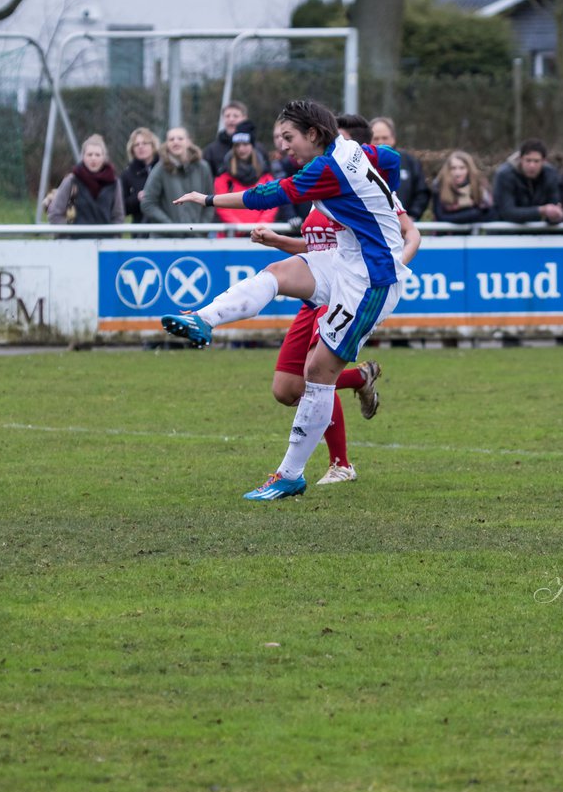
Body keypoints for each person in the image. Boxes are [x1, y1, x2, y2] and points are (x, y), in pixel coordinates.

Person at [161, 99, 411, 501]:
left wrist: (207, 200)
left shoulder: (326, 168)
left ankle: (292, 474)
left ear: (314, 134)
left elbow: (267, 196)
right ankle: (202, 319)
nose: (283, 149)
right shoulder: (350, 150)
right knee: (279, 274)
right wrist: (383, 193)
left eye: (289, 138)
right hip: (346, 259)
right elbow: (392, 158)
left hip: (371, 280)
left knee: (317, 372)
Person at [249, 202, 420, 484]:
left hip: (343, 295)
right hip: (316, 297)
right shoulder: (321, 187)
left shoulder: (365, 185)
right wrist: (278, 241)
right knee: (286, 389)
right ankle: (359, 377)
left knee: (315, 375)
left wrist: (395, 268)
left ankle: (340, 464)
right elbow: (320, 252)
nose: (289, 154)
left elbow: (410, 233)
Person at [139, 126, 215, 228]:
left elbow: (210, 201)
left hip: (197, 238)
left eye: (180, 138)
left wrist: (201, 228)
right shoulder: (160, 169)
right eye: (171, 139)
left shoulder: (202, 167)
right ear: (167, 144)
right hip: (167, 238)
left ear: (188, 142)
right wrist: (171, 226)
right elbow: (147, 203)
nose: (175, 142)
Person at [47, 133, 124, 231]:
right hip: (76, 242)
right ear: (83, 157)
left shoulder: (114, 182)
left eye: (97, 155)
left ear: (104, 157)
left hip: (105, 242)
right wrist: (69, 234)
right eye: (89, 154)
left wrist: (113, 237)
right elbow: (55, 214)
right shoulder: (71, 181)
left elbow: (118, 216)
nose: (93, 158)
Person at [210, 123, 277, 236]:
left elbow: (273, 203)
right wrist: (238, 226)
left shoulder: (266, 176)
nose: (241, 149)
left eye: (245, 144)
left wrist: (260, 226)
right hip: (230, 237)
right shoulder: (224, 177)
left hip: (261, 235)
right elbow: (220, 205)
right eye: (237, 145)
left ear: (252, 146)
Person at [369, 116, 431, 220]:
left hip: (405, 227)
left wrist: (412, 216)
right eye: (376, 138)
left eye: (385, 138)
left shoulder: (410, 161)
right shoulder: (361, 163)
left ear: (393, 138)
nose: (380, 142)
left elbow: (421, 193)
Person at [493, 139, 563, 224]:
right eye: (528, 160)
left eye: (536, 161)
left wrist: (555, 215)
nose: (532, 165)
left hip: (543, 232)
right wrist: (541, 211)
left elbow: (555, 206)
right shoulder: (504, 175)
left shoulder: (551, 175)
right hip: (507, 232)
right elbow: (507, 212)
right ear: (520, 159)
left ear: (544, 161)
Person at [430, 150, 493, 228]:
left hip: (473, 235)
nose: (457, 173)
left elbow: (488, 213)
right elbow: (440, 217)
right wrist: (472, 214)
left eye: (462, 168)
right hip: (446, 235)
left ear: (469, 169)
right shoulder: (439, 186)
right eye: (453, 168)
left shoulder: (479, 186)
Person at [202, 101, 265, 176]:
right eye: (227, 116)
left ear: (245, 118)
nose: (231, 119)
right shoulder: (211, 151)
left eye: (235, 116)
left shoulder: (258, 148)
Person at [120, 127, 159, 225]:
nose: (140, 147)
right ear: (132, 149)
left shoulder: (164, 168)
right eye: (136, 145)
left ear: (153, 145)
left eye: (145, 143)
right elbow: (121, 207)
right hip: (140, 229)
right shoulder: (127, 174)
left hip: (165, 226)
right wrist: (137, 198)